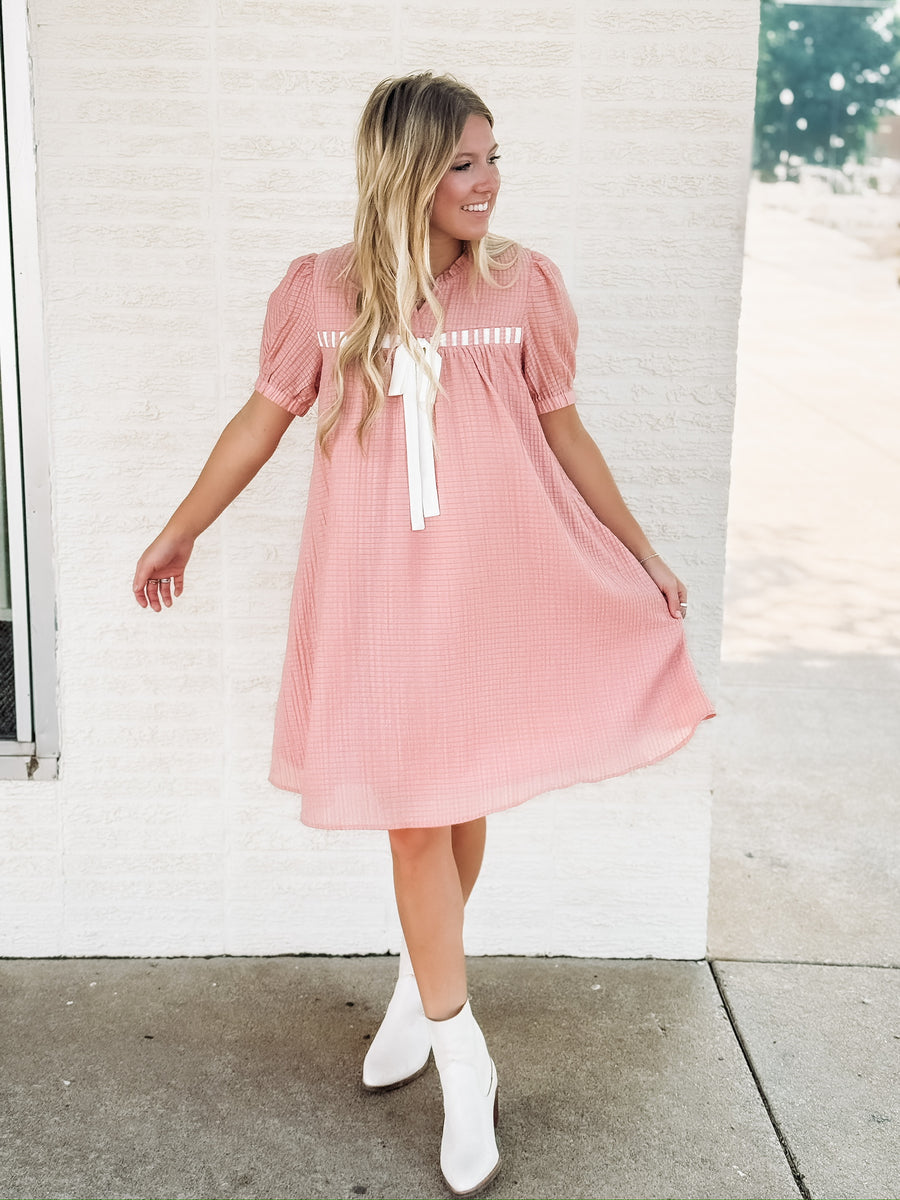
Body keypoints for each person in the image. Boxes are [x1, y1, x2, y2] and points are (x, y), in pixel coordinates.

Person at [133, 72, 713, 1198]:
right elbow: (261, 421)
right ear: (404, 170)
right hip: (378, 597)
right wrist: (179, 531)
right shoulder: (319, 292)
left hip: (487, 589)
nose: (486, 182)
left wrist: (640, 550)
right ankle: (464, 1055)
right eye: (461, 163)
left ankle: (417, 983)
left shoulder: (525, 285)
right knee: (411, 826)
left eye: (494, 158)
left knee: (457, 804)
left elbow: (565, 433)